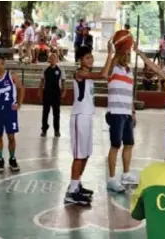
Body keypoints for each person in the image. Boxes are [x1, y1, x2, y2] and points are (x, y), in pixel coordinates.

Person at [64, 43, 113, 205]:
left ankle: (76, 185)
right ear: (80, 60)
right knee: (79, 155)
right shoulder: (80, 73)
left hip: (87, 116)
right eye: (87, 57)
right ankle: (71, 192)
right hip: (79, 117)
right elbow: (104, 74)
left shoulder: (88, 75)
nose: (90, 59)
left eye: (91, 57)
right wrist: (109, 55)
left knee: (85, 154)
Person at [106, 30, 138, 192]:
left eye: (128, 53)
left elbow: (130, 93)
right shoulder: (113, 69)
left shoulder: (129, 71)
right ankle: (111, 179)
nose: (127, 56)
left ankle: (125, 175)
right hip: (115, 112)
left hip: (126, 112)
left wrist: (133, 112)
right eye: (125, 53)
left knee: (129, 144)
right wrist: (112, 54)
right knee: (115, 145)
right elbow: (105, 73)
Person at [0, 55, 25, 173]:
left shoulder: (12, 76)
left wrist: (19, 103)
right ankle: (0, 159)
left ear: (5, 64)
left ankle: (12, 158)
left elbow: (21, 88)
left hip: (9, 110)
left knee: (11, 136)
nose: (0, 66)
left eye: (2, 63)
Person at [39, 53, 66, 137]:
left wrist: (64, 91)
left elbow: (63, 81)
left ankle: (57, 130)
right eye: (51, 58)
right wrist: (40, 92)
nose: (53, 59)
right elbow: (42, 81)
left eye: (55, 58)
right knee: (45, 113)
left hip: (56, 93)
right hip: (47, 93)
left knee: (56, 113)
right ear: (49, 59)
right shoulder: (45, 69)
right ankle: (44, 130)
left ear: (57, 59)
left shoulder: (61, 69)